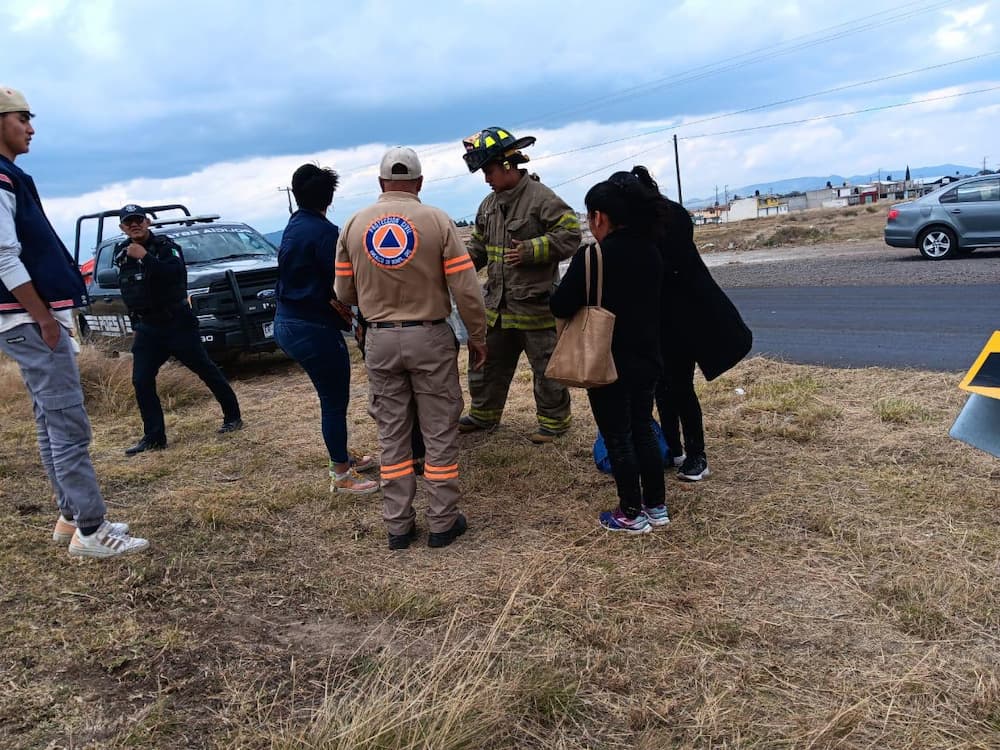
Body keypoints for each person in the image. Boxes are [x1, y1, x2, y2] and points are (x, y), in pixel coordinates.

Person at [0, 86, 148, 557]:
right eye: (22, 117)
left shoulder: (11, 175)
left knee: (50, 421)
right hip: (28, 317)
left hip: (27, 318)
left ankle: (71, 516)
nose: (31, 127)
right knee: (69, 425)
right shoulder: (1, 179)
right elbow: (4, 256)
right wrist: (44, 318)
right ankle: (91, 530)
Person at [335, 147, 487, 549]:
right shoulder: (436, 220)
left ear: (381, 182)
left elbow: (342, 290)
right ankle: (442, 522)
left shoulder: (353, 223)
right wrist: (477, 335)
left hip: (380, 340)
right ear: (419, 183)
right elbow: (466, 289)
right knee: (438, 430)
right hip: (430, 336)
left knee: (392, 433)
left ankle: (398, 526)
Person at [550, 173, 668, 534]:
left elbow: (561, 303)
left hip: (608, 359)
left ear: (599, 217)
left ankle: (630, 512)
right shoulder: (652, 250)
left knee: (617, 436)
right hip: (648, 356)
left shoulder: (594, 256)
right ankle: (656, 506)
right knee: (643, 428)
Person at [458, 127, 580, 443]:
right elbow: (480, 249)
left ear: (508, 165)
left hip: (534, 308)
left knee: (546, 370)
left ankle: (554, 424)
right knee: (486, 366)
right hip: (497, 308)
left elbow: (570, 234)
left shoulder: (541, 199)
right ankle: (484, 416)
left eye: (490, 170)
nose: (487, 178)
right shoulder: (488, 205)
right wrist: (456, 266)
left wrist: (531, 250)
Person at [630, 166, 752, 482]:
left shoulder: (669, 221)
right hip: (659, 319)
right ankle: (674, 449)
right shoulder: (651, 221)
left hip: (685, 318)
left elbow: (666, 267)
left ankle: (697, 454)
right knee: (662, 385)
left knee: (680, 386)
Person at [273, 163, 377, 494]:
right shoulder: (326, 234)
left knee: (330, 398)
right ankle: (342, 475)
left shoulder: (294, 225)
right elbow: (343, 285)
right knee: (333, 401)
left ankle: (342, 455)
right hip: (313, 329)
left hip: (286, 322)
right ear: (330, 198)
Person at [114, 204, 243, 455]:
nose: (135, 225)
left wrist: (145, 257)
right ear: (122, 228)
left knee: (205, 369)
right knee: (141, 381)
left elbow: (173, 273)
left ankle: (233, 417)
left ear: (147, 222)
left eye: (138, 220)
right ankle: (154, 437)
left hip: (177, 324)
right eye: (129, 222)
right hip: (148, 328)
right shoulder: (122, 253)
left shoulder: (165, 246)